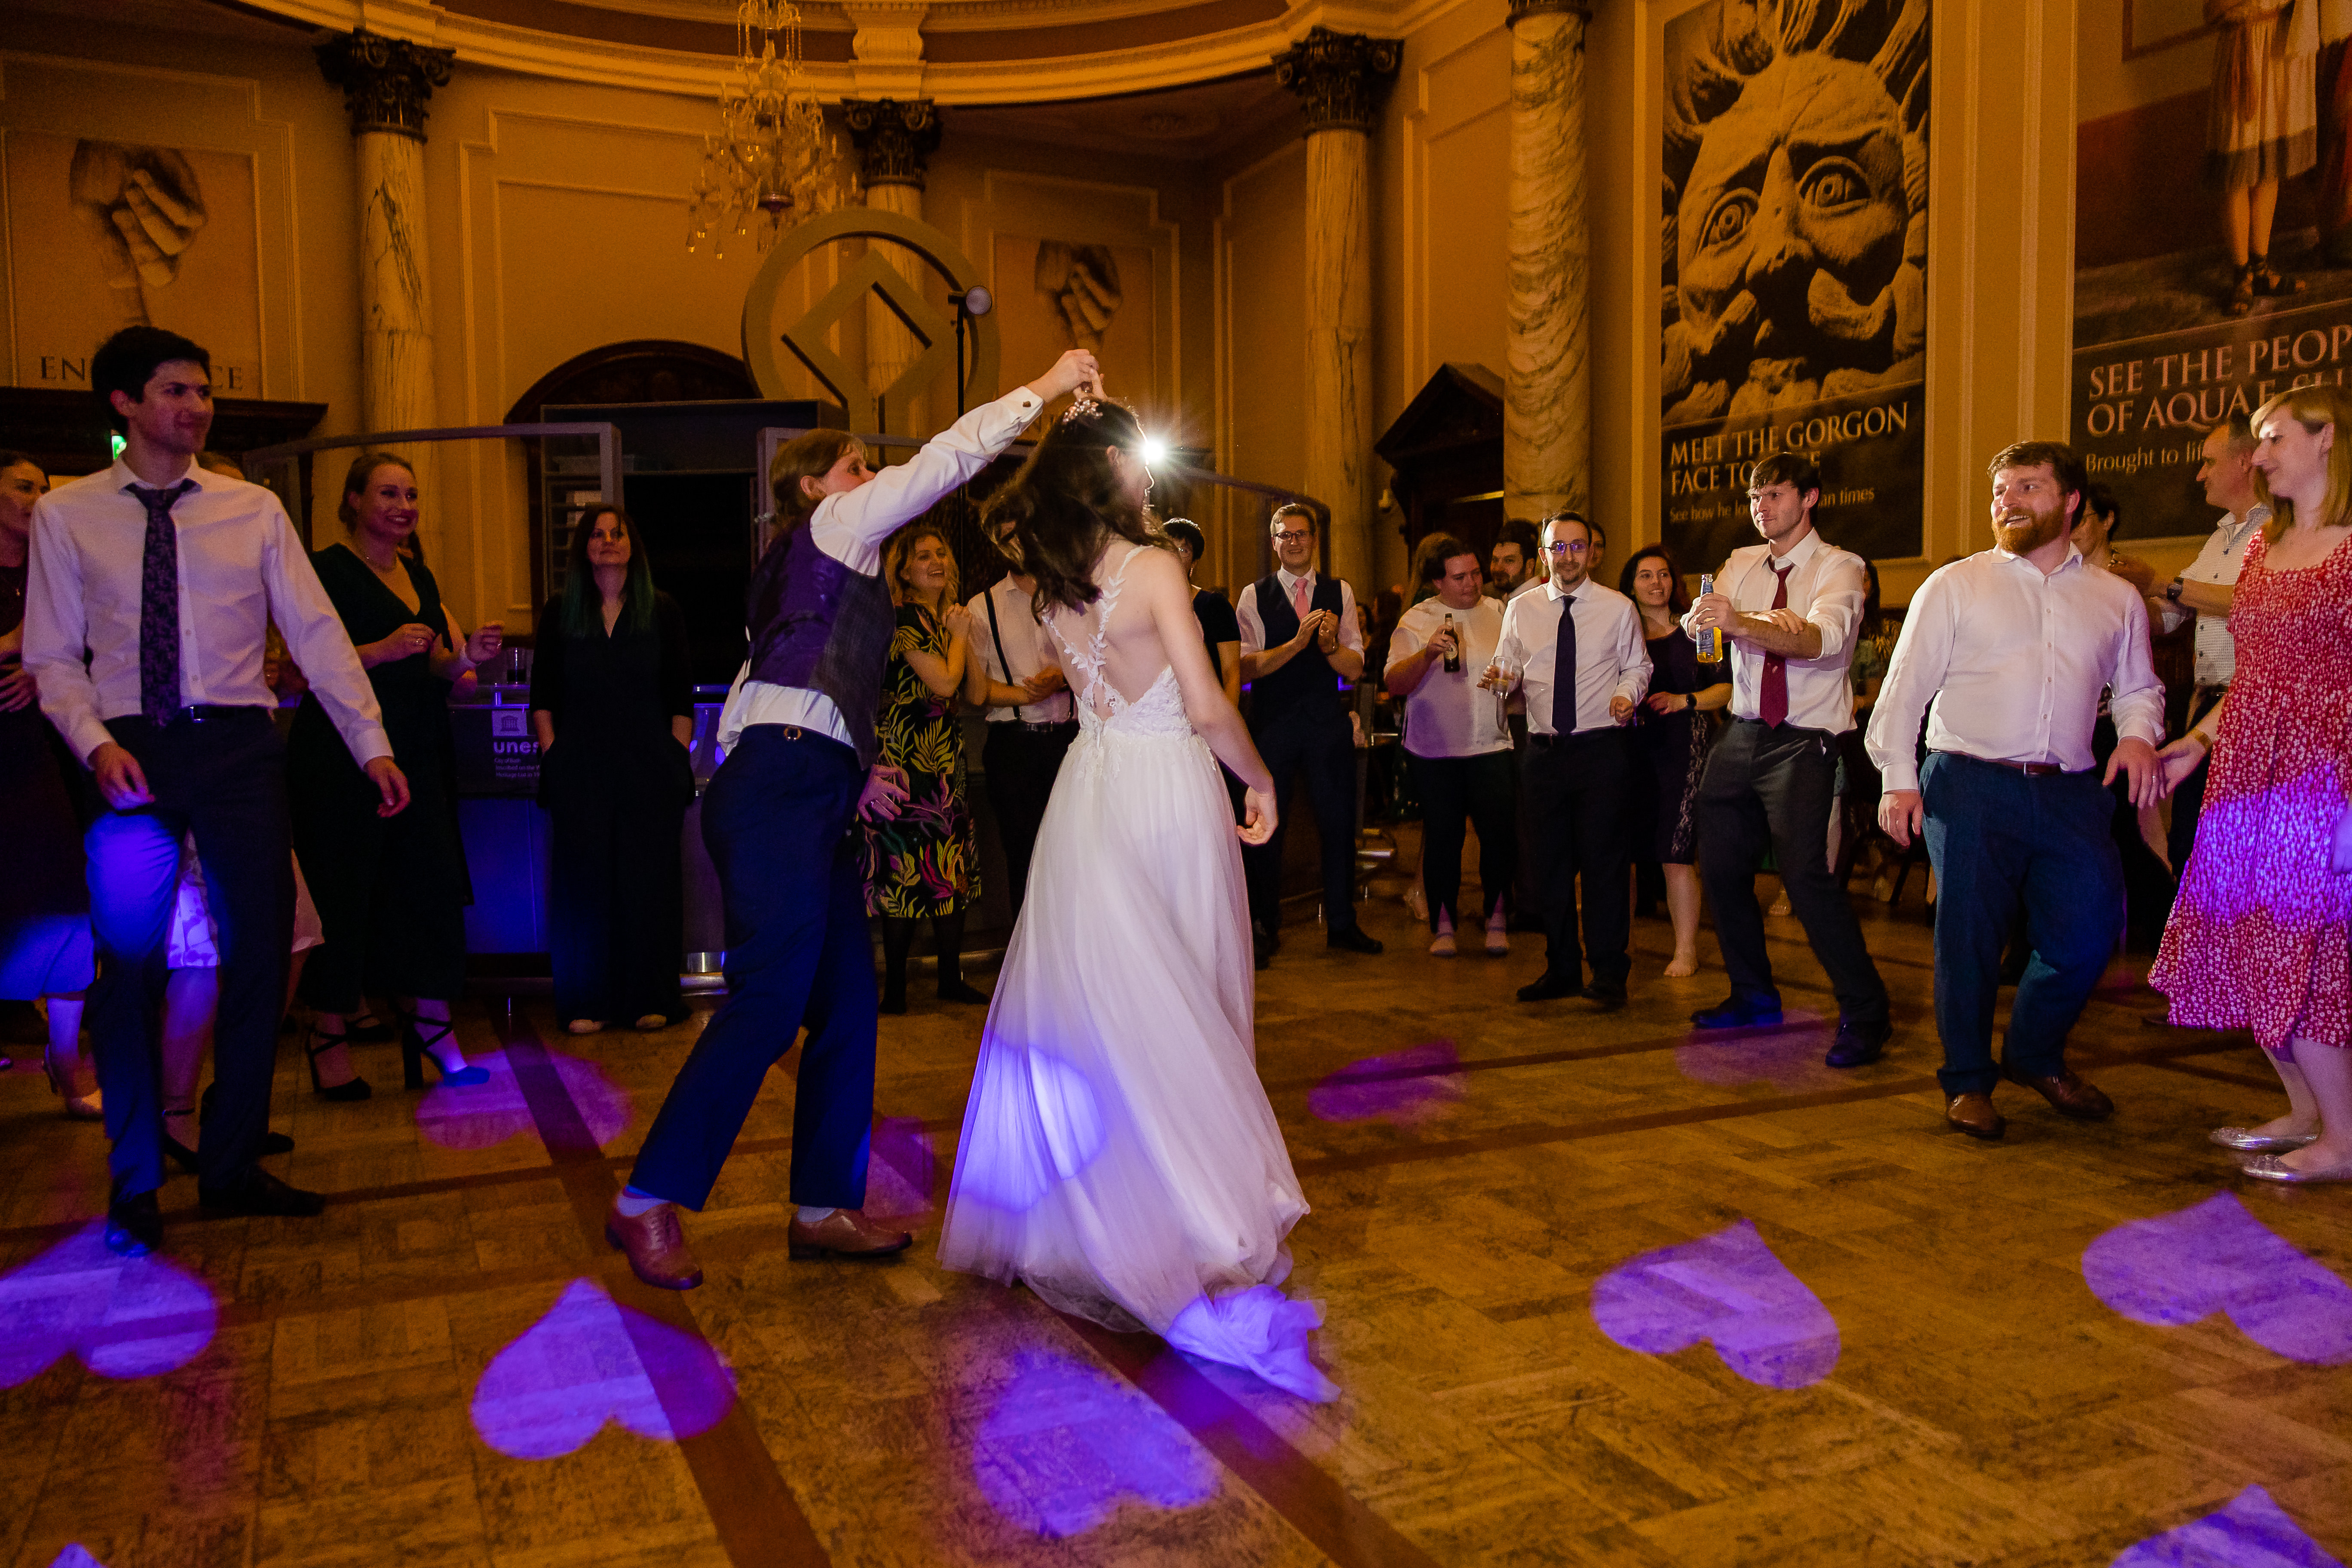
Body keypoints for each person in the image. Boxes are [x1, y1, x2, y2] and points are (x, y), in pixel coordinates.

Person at [603, 348, 1096, 1292]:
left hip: (805, 788)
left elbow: (769, 686)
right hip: (784, 793)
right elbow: (948, 459)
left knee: (848, 1002)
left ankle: (824, 1205)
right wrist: (1048, 380)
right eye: (857, 467)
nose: (873, 481)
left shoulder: (807, 575)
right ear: (811, 488)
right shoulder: (830, 527)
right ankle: (645, 1199)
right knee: (770, 1004)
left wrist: (846, 767)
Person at [938, 395, 1334, 1403]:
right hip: (1162, 787)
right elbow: (1204, 706)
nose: (1150, 477)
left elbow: (1078, 694)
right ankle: (1192, 1218)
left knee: (1097, 1012)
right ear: (1108, 466)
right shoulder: (1155, 567)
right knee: (1184, 998)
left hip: (1090, 786)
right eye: (1136, 460)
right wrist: (1259, 779)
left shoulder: (1050, 586)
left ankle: (1085, 1220)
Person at [23, 326, 410, 1256]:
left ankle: (232, 1165)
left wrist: (373, 747)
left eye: (203, 391)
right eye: (174, 391)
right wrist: (93, 743)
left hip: (241, 751)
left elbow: (315, 636)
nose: (195, 407)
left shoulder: (254, 510)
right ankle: (136, 1181)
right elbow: (50, 658)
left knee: (258, 960)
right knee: (132, 968)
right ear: (124, 404)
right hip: (131, 754)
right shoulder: (68, 517)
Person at [1868, 441, 2165, 1141]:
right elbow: (1903, 690)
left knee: (2087, 938)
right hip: (1968, 781)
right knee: (1967, 941)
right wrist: (1897, 780)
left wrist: (2136, 734)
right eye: (2000, 489)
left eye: (2027, 487)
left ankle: (2033, 1054)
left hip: (2070, 791)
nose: (2007, 500)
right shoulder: (1955, 584)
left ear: (2070, 502)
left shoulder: (2114, 597)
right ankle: (1968, 1081)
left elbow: (2138, 689)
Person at [2150, 384, 2352, 1182]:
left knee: (2303, 947)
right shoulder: (2265, 548)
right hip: (2247, 763)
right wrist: (2199, 741)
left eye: (2271, 439)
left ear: (2327, 437)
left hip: (2322, 770)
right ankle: (2305, 1110)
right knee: (2248, 935)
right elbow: (2258, 674)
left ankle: (2342, 1139)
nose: (2258, 454)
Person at [288, 453, 498, 1096]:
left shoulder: (419, 573)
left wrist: (464, 659)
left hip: (419, 748)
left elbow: (438, 667)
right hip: (342, 758)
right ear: (353, 501)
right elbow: (296, 673)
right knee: (345, 894)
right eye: (387, 493)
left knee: (428, 891)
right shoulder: (321, 570)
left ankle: (434, 1030)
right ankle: (329, 1040)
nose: (403, 506)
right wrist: (379, 651)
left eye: (410, 495)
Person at [1684, 453, 1892, 1066]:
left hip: (1805, 738)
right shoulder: (1741, 563)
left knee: (1804, 878)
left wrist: (1740, 622)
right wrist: (1704, 625)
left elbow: (1816, 641)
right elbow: (1708, 641)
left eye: (1775, 495)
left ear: (1810, 499)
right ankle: (1752, 994)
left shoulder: (1840, 567)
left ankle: (1867, 1013)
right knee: (1720, 867)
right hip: (1745, 730)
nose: (1761, 507)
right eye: (1755, 497)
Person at [529, 505, 695, 1036]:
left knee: (647, 885)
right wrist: (553, 755)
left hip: (649, 769)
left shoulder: (661, 610)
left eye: (617, 534)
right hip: (580, 769)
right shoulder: (560, 612)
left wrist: (674, 756)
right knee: (584, 888)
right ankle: (586, 1002)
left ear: (633, 546)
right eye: (597, 535)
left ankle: (651, 998)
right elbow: (544, 696)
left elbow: (680, 696)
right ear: (583, 547)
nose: (607, 542)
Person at [1483, 513, 1651, 1007]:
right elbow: (1510, 663)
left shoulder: (1618, 608)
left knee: (1604, 864)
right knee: (1547, 867)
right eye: (1560, 548)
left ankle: (1608, 973)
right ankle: (1560, 968)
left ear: (1592, 553)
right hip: (1543, 753)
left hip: (1601, 750)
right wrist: (1501, 678)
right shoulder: (1522, 608)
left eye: (1579, 547)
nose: (1569, 556)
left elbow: (1639, 665)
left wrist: (1626, 694)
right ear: (1544, 554)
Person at [1237, 503, 1382, 963]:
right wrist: (1297, 645)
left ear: (1315, 540)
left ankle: (1342, 923)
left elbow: (1355, 669)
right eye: (1286, 535)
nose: (1294, 542)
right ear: (1273, 542)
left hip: (1325, 723)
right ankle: (1263, 926)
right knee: (1266, 828)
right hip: (1274, 724)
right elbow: (1246, 667)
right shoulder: (1253, 595)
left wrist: (1330, 647)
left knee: (1338, 824)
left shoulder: (1340, 591)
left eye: (1302, 534)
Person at [0, 450, 98, 1113]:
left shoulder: (50, 569)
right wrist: (24, 643)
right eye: (24, 487)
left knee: (67, 900)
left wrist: (45, 665)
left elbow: (83, 649)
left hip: (38, 757)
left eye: (43, 488)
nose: (38, 498)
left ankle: (65, 1064)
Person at [867, 522, 986, 1013]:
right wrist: (956, 636)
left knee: (948, 870)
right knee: (904, 872)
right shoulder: (903, 619)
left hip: (943, 761)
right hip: (906, 763)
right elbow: (942, 683)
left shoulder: (945, 623)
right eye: (923, 557)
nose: (936, 561)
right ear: (904, 571)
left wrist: (962, 633)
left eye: (942, 553)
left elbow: (975, 693)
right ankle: (895, 989)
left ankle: (949, 978)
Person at [1386, 534, 1513, 957]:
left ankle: (1497, 916)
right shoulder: (1417, 620)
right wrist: (1425, 656)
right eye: (1460, 577)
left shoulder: (1498, 612)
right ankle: (1444, 925)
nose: (1472, 583)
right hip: (1435, 749)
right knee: (1444, 837)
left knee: (1497, 836)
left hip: (1491, 743)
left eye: (1476, 573)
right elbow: (1394, 683)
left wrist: (1512, 683)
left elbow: (1522, 674)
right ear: (1438, 582)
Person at [2152, 417, 2267, 877]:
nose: (2200, 474)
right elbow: (2170, 614)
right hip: (2207, 710)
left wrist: (2164, 583)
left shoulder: (2280, 533)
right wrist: (2109, 606)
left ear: (2244, 462)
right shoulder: (2220, 538)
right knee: (2190, 845)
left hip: (2255, 712)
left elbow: (2254, 603)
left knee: (2239, 851)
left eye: (2208, 463)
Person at [1621, 544, 1730, 977]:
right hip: (1629, 747)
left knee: (1676, 849)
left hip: (1682, 744)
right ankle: (1620, 944)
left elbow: (1726, 689)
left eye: (1663, 574)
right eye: (1646, 575)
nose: (1656, 583)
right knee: (1625, 851)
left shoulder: (1697, 630)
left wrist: (1686, 700)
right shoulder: (1618, 632)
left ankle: (1685, 949)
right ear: (1630, 585)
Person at [966, 511, 1078, 919]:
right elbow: (975, 691)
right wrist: (1029, 693)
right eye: (1005, 538)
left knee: (1076, 853)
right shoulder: (983, 607)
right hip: (1013, 745)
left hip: (1071, 740)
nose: (1015, 543)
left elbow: (1099, 663)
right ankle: (1029, 966)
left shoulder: (1070, 594)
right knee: (1024, 855)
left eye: (1021, 533)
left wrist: (1062, 679)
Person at [2206, 0, 2312, 315]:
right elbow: (2213, 10)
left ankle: (2261, 268)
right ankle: (2242, 275)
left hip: (2279, 42)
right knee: (2237, 167)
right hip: (2242, 48)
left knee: (2269, 163)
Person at [1488, 518, 1544, 602]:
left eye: (1509, 561)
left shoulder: (1536, 603)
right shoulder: (1505, 598)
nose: (1498, 568)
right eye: (1495, 560)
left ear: (1529, 566)